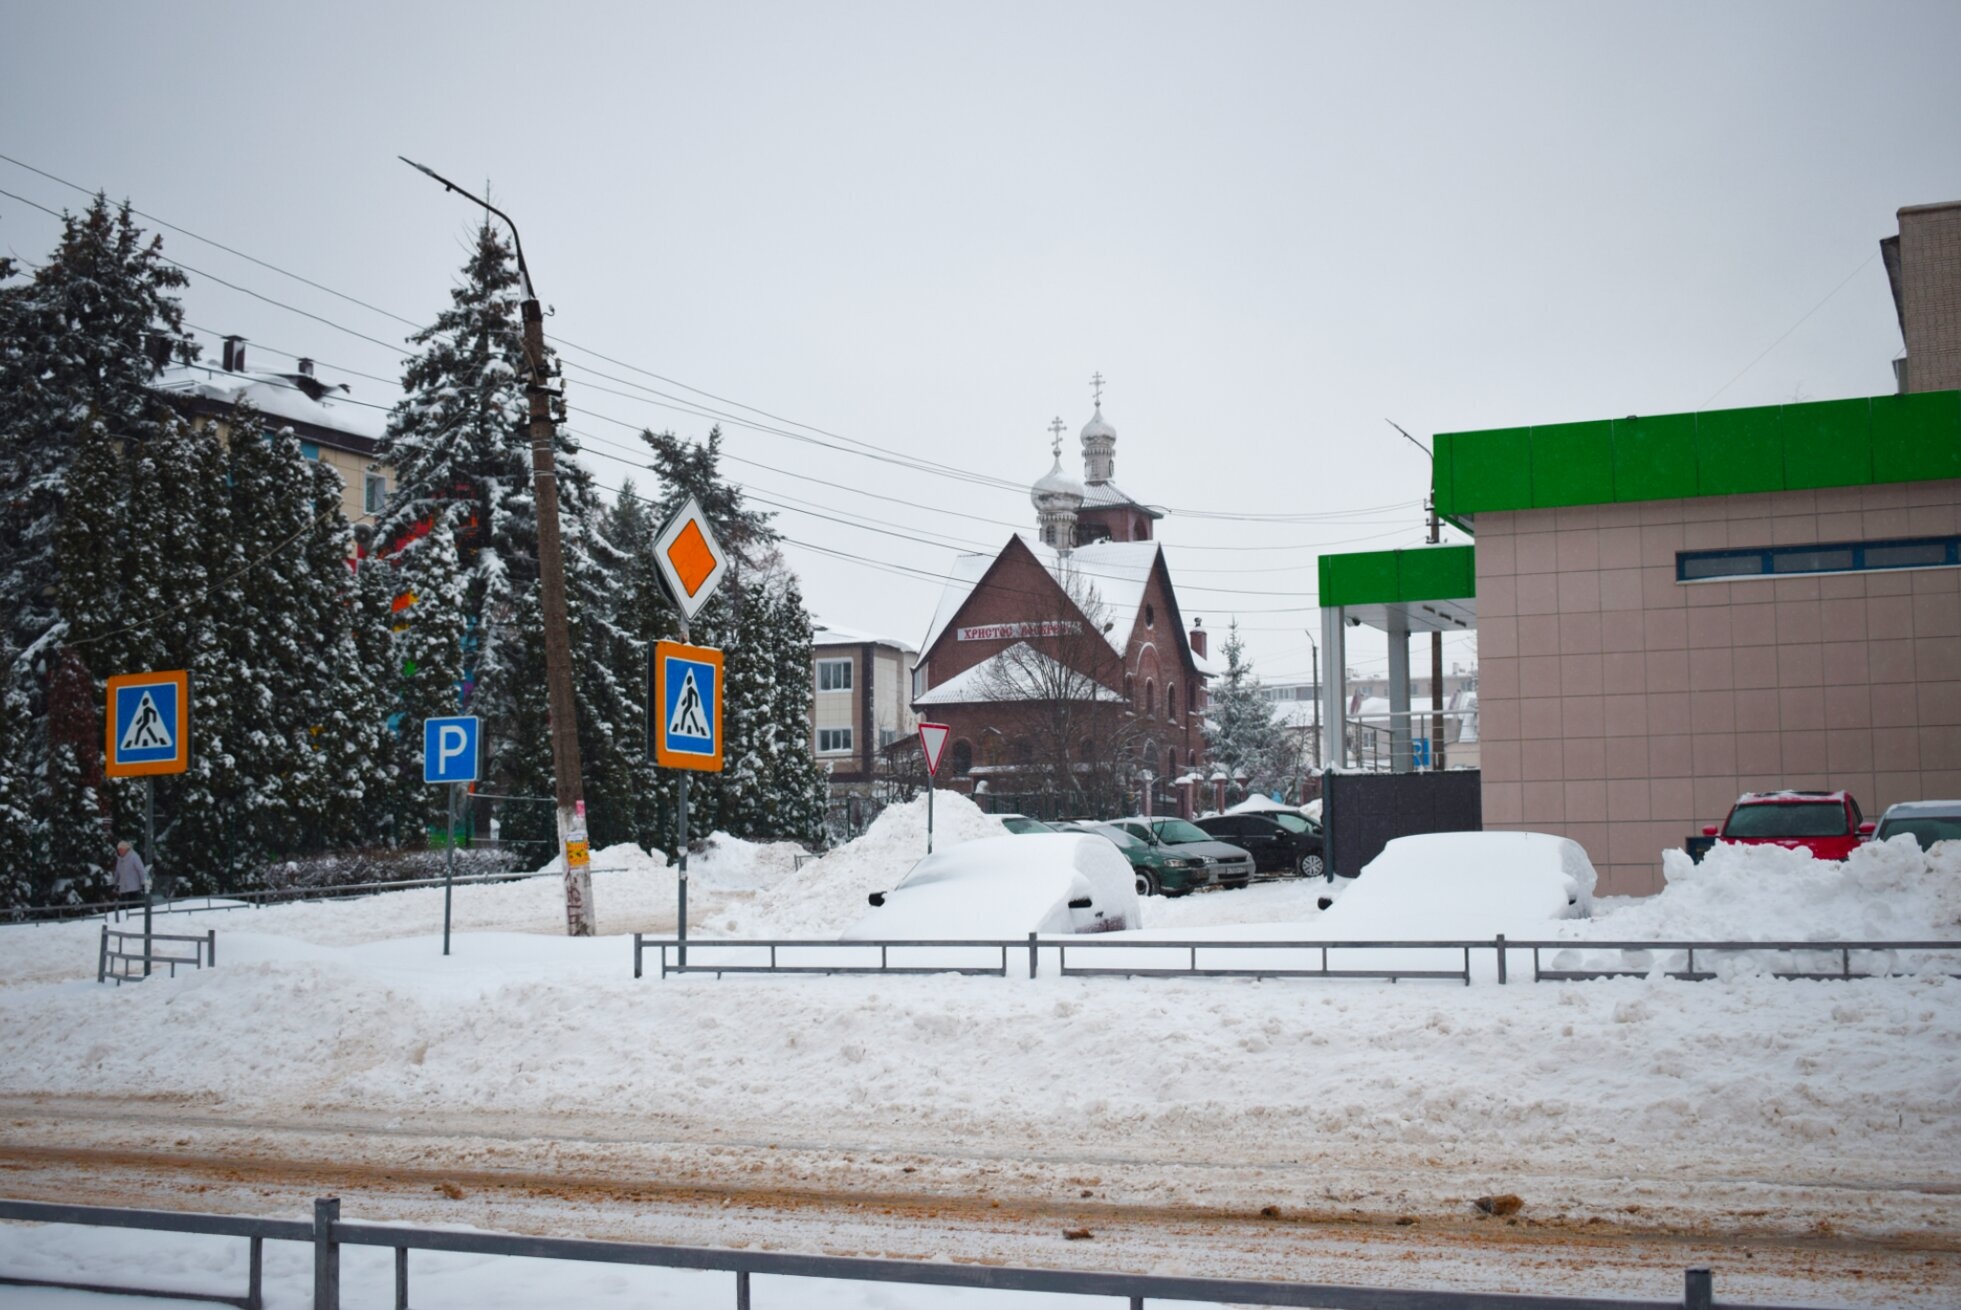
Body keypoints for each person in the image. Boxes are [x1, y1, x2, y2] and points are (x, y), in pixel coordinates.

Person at [112, 840, 148, 908]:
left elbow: (141, 870)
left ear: (126, 849)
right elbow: (117, 872)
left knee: (133, 908)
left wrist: (143, 883)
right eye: (119, 850)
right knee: (123, 909)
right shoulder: (120, 859)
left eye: (121, 850)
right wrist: (114, 884)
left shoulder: (134, 857)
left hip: (134, 888)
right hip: (123, 889)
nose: (119, 852)